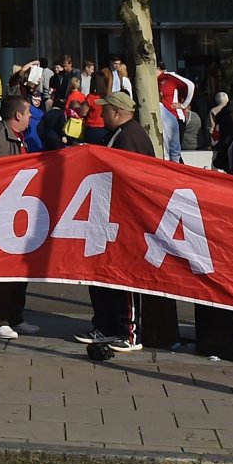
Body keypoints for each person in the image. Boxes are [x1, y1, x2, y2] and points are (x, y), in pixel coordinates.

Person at [75, 90, 153, 355]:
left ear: (117, 112)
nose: (101, 113)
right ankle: (106, 325)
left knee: (122, 275)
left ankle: (129, 332)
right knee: (103, 271)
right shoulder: (122, 134)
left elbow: (129, 179)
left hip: (123, 219)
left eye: (105, 109)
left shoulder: (130, 137)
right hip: (109, 217)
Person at [0, 96, 38, 340]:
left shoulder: (17, 137)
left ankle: (15, 316)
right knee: (2, 270)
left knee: (20, 270)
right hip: (2, 213)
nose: (31, 117)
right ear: (17, 116)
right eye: (28, 113)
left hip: (17, 211)